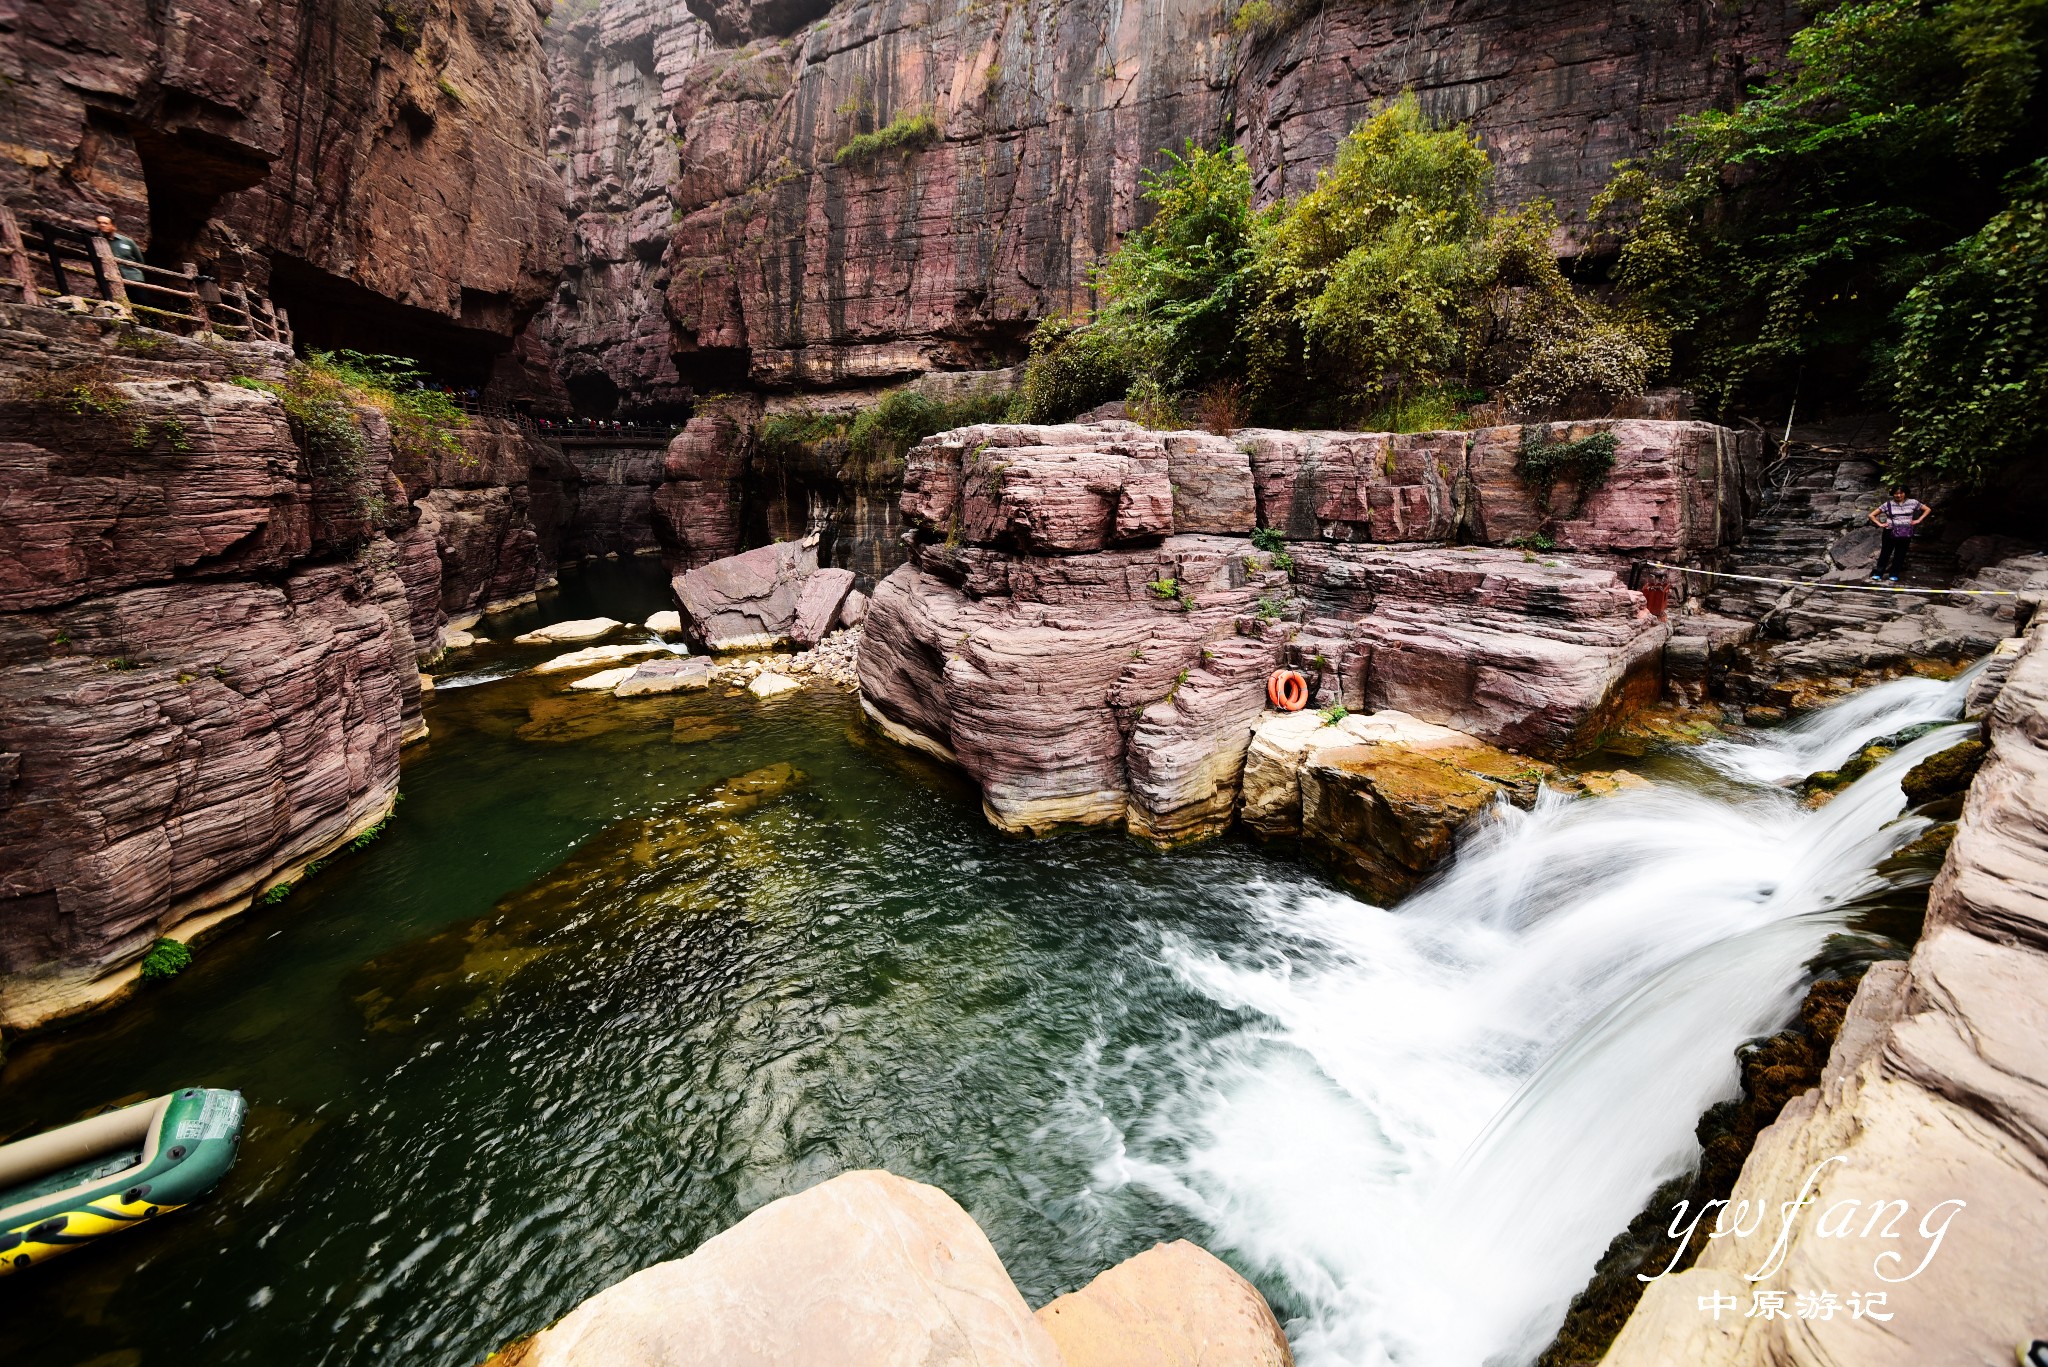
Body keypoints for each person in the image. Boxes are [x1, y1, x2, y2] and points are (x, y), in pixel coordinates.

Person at [1867, 485, 1931, 582]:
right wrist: (1880, 524)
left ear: (1905, 493)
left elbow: (1927, 509)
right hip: (1890, 531)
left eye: (1901, 493)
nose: (1898, 495)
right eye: (1896, 493)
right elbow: (1871, 515)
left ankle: (1894, 574)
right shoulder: (1888, 504)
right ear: (1893, 494)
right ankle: (1878, 573)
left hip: (1906, 532)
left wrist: (1918, 520)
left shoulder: (1913, 502)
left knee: (1900, 553)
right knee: (1885, 552)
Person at [93, 214, 145, 284]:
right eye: (99, 223)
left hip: (133, 278)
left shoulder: (127, 241)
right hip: (111, 278)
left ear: (113, 226)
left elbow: (140, 261)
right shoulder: (97, 241)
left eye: (105, 223)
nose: (102, 225)